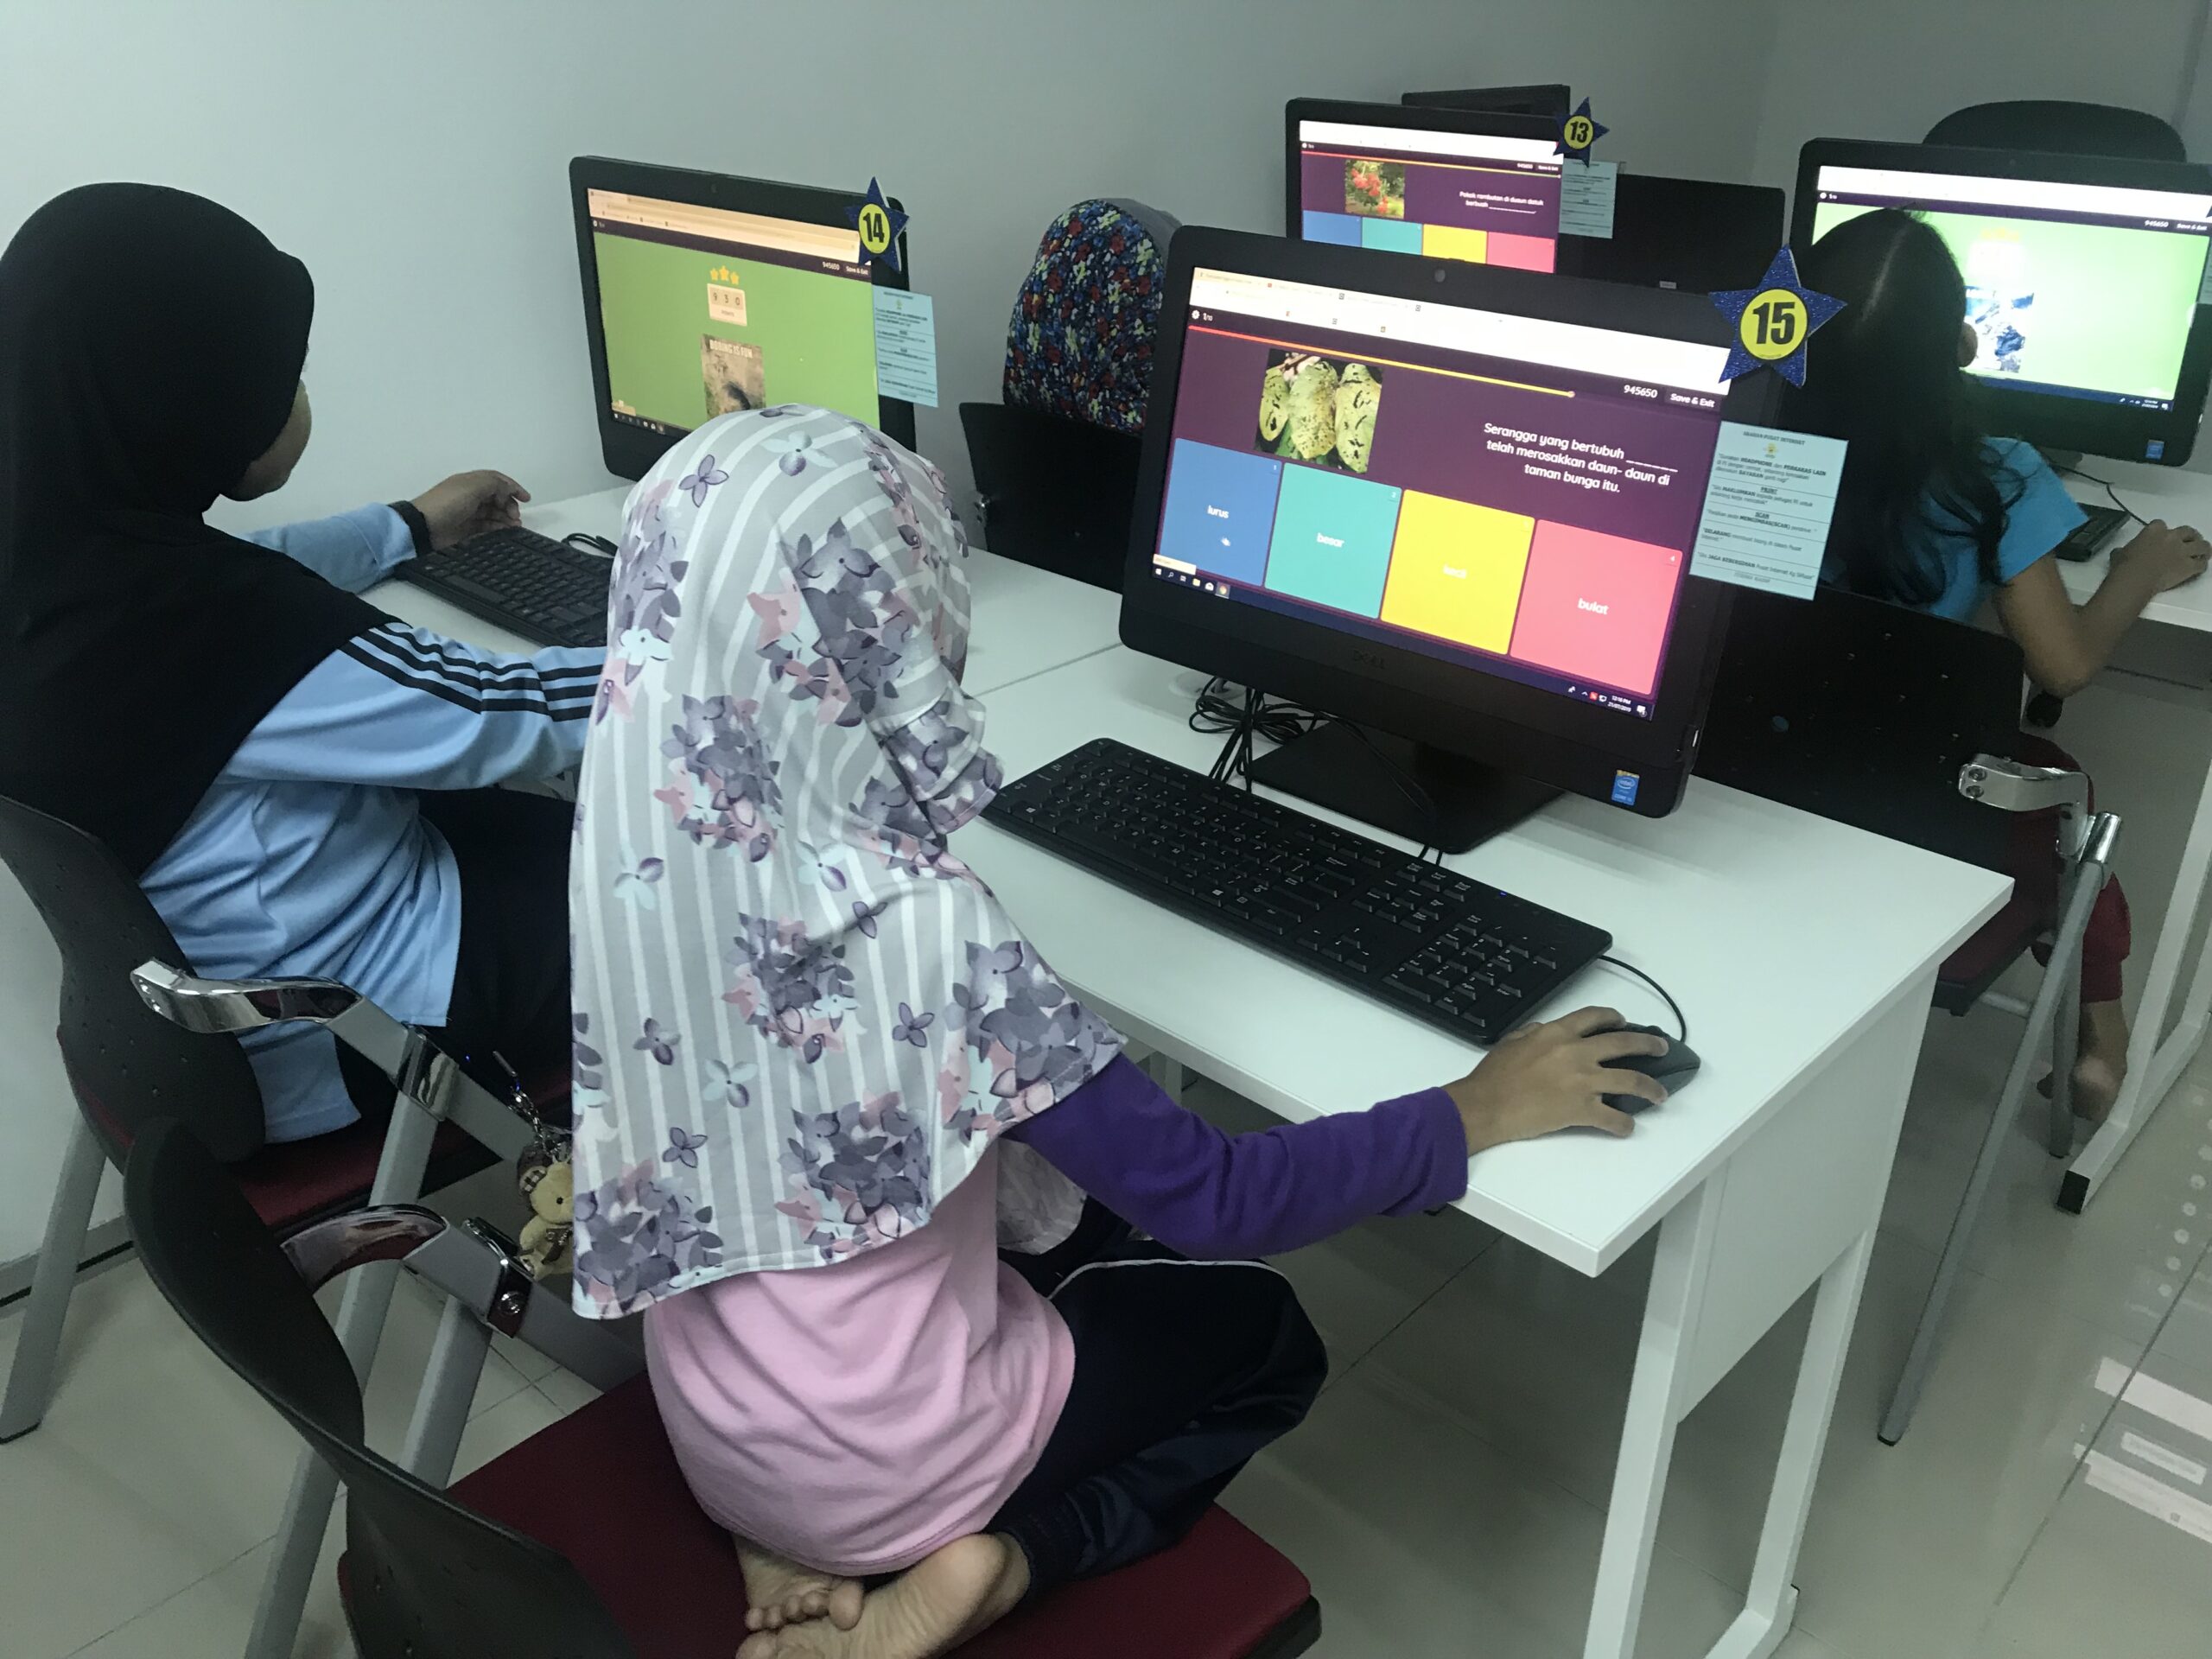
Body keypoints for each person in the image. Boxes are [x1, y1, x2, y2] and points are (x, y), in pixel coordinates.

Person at [569, 404, 1674, 1659]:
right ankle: (1006, 1564)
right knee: (1264, 1332)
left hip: (723, 1438)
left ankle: (794, 1537)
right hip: (885, 1469)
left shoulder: (634, 854)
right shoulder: (920, 932)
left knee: (1074, 1224)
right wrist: (1472, 1111)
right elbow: (1216, 1199)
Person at [0, 183, 601, 1140]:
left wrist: (409, 526)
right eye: (280, 372)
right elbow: (503, 712)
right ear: (189, 398)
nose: (295, 395)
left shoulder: (68, 564)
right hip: (351, 1025)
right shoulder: (210, 626)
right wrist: (741, 641)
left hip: (181, 1036)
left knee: (574, 824)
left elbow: (256, 566)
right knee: (706, 864)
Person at [1792, 207, 2210, 1121]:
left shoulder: (1745, 443)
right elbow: (2063, 668)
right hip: (1918, 802)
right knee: (2063, 797)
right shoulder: (1997, 476)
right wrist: (2135, 572)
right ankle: (2104, 1042)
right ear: (1962, 344)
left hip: (1764, 779)